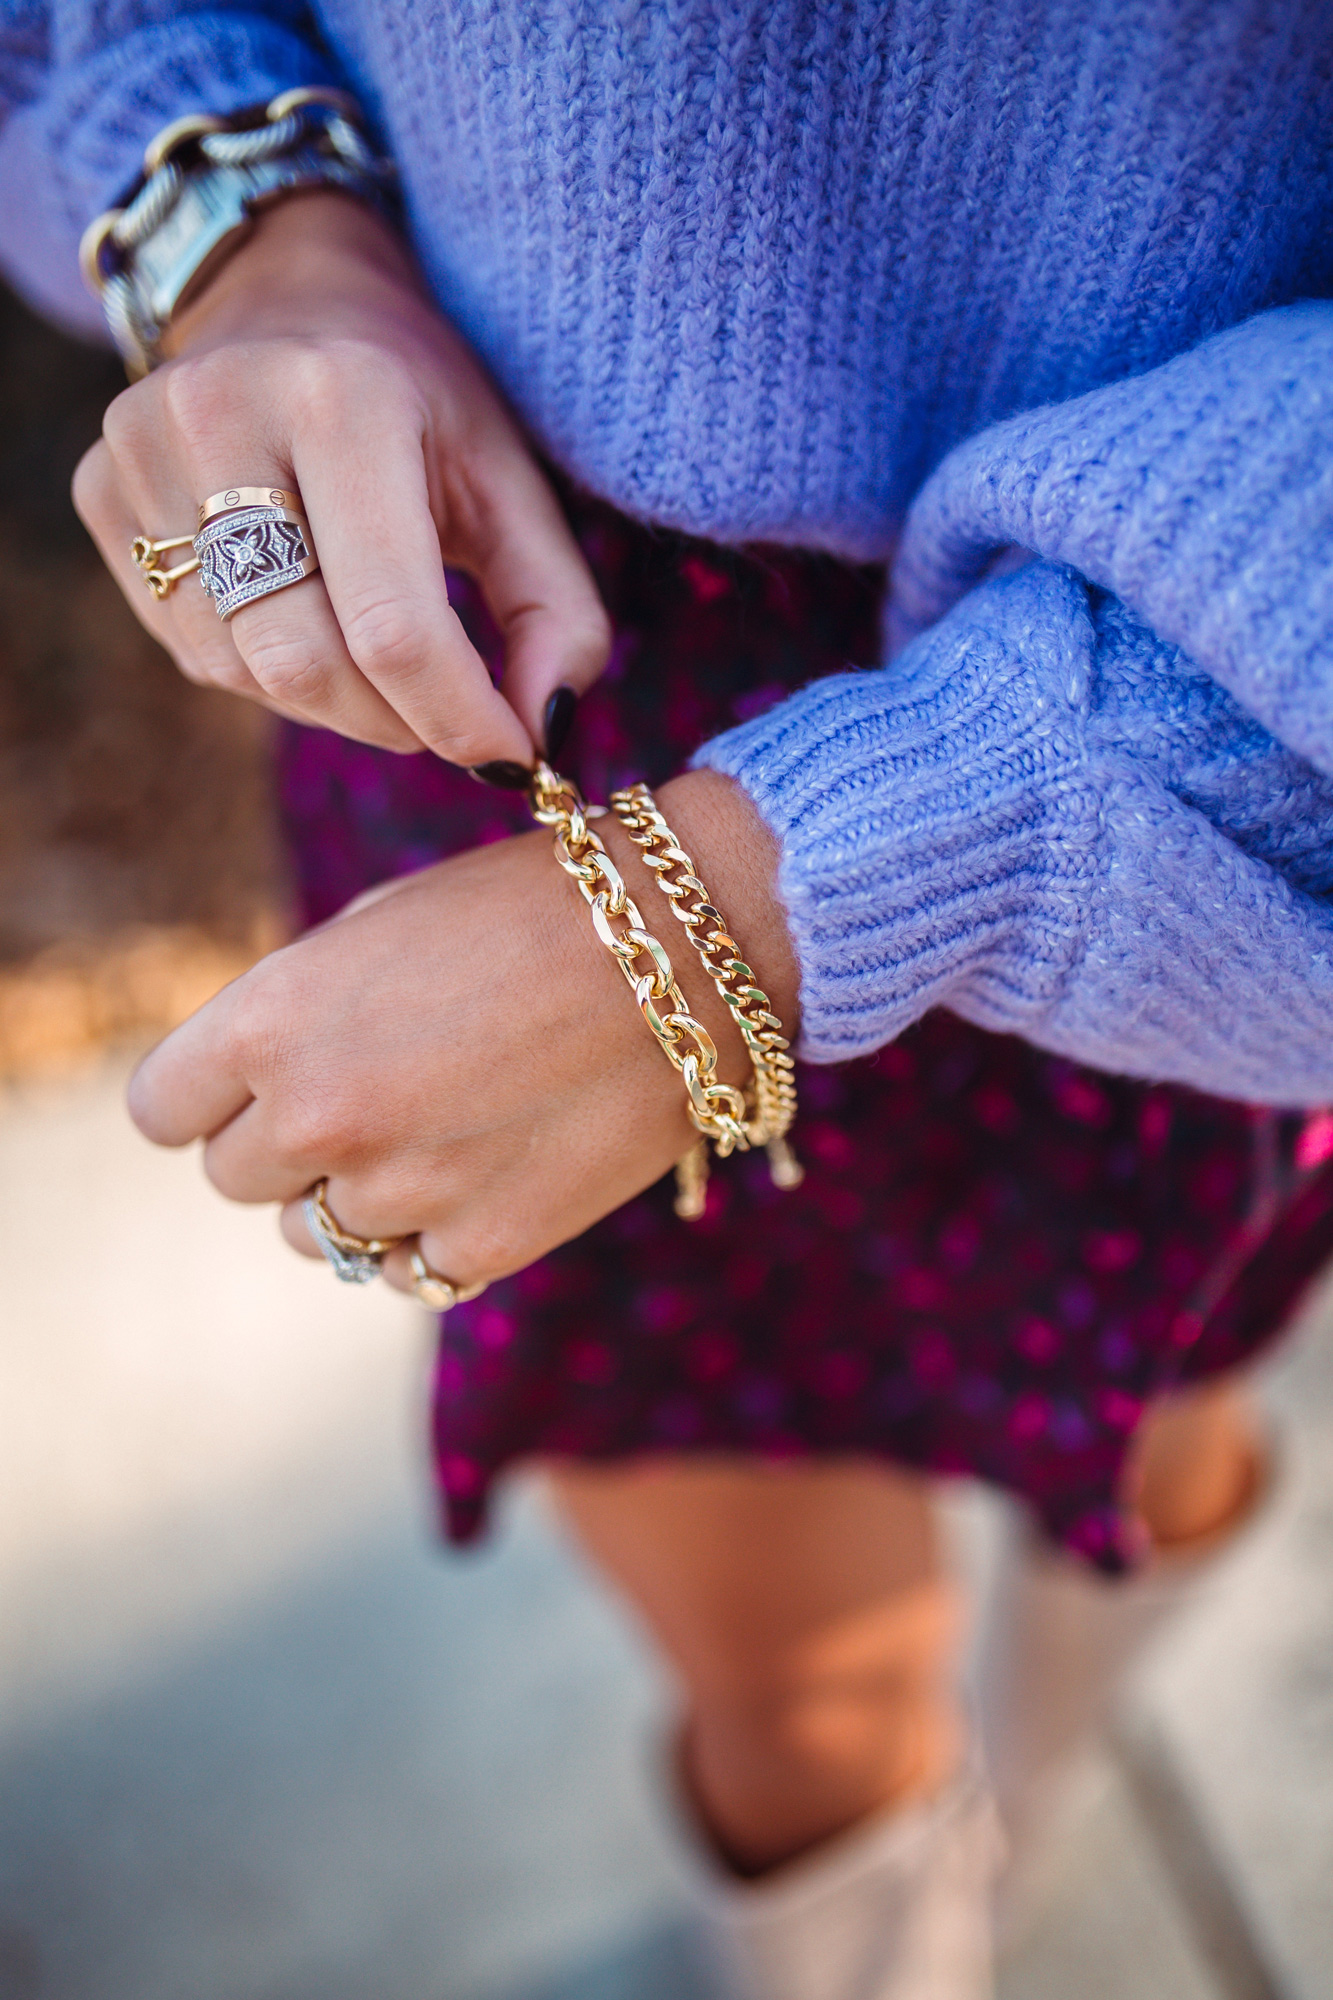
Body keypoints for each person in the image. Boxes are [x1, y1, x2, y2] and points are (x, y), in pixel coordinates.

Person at [3, 4, 1332, 1992]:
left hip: (1195, 712)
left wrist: (761, 894)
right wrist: (259, 227)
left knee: (1156, 1444)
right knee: (791, 1695)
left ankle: (1035, 1790)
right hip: (502, 625)